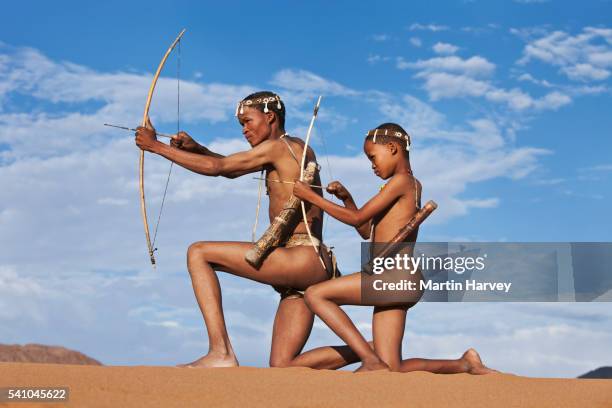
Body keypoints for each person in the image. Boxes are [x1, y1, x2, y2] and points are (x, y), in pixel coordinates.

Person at [135, 91, 339, 368]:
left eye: (247, 121)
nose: (244, 129)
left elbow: (220, 168)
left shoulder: (279, 147)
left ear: (269, 117)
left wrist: (156, 147)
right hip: (312, 268)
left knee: (199, 253)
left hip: (300, 257)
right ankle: (372, 350)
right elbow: (231, 168)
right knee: (283, 366)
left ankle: (221, 352)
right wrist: (198, 150)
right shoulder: (293, 148)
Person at [293, 122, 496, 374]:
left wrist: (311, 197)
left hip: (392, 276)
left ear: (392, 148)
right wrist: (346, 198)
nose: (372, 165)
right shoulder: (406, 185)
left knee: (315, 294)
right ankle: (464, 363)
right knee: (393, 368)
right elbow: (367, 230)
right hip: (399, 280)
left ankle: (369, 359)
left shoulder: (402, 181)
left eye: (373, 157)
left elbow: (356, 220)